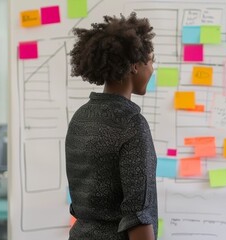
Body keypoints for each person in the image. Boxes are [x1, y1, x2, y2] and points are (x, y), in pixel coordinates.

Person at [65, 12, 158, 240]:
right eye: (152, 61)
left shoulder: (80, 116)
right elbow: (138, 219)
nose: (153, 69)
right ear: (135, 65)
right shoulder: (132, 124)